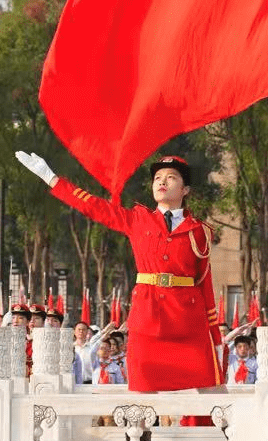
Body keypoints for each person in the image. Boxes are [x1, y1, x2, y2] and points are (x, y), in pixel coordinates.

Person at [17, 151, 224, 393]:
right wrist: (52, 179)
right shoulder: (138, 219)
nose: (162, 182)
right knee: (142, 395)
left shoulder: (198, 231)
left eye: (171, 178)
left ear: (185, 189)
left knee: (211, 392)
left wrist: (216, 339)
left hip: (187, 322)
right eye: (157, 178)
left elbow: (205, 285)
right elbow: (95, 207)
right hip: (148, 319)